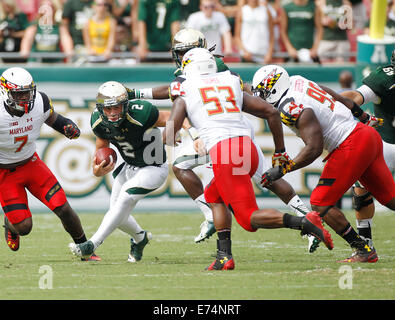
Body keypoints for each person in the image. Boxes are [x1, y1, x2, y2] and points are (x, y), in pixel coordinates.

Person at [127, 28, 315, 248]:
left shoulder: (194, 74)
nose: (182, 57)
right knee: (263, 177)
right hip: (237, 133)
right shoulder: (217, 70)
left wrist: (186, 132)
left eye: (186, 51)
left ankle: (211, 217)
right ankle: (302, 217)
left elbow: (175, 97)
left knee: (182, 167)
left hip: (222, 136)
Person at [163, 48, 333, 270]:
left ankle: (304, 223)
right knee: (214, 196)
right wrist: (280, 151)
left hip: (226, 152)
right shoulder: (230, 80)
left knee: (248, 218)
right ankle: (224, 256)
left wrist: (167, 137)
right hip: (247, 148)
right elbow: (271, 112)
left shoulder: (185, 87)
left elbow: (170, 130)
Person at [252, 64, 395, 262]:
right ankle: (364, 250)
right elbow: (336, 96)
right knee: (390, 199)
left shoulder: (289, 106)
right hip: (366, 134)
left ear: (274, 88)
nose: (261, 98)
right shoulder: (297, 80)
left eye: (263, 93)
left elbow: (314, 147)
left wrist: (283, 169)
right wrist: (361, 114)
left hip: (350, 143)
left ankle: (363, 249)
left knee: (320, 202)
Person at [0, 67, 99, 261]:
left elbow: (54, 119)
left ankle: (86, 249)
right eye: (19, 94)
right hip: (4, 174)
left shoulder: (40, 101)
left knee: (62, 207)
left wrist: (67, 127)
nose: (24, 98)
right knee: (24, 227)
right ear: (5, 91)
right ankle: (10, 224)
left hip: (31, 164)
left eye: (27, 93)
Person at [69, 81, 171, 262]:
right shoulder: (99, 121)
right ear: (100, 109)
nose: (112, 113)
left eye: (116, 107)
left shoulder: (141, 111)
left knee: (124, 199)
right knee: (117, 213)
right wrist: (98, 171)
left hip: (153, 167)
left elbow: (173, 117)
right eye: (107, 109)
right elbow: (99, 155)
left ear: (125, 104)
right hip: (128, 167)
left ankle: (92, 244)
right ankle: (140, 238)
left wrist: (175, 134)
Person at [339, 50, 395, 249]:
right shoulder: (384, 77)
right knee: (361, 190)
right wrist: (328, 101)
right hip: (387, 142)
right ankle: (365, 242)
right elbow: (356, 96)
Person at [234, 0, 274, 64]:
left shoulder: (266, 11)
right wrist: (244, 51)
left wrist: (269, 53)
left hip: (264, 56)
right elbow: (237, 36)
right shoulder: (242, 11)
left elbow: (272, 35)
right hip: (247, 56)